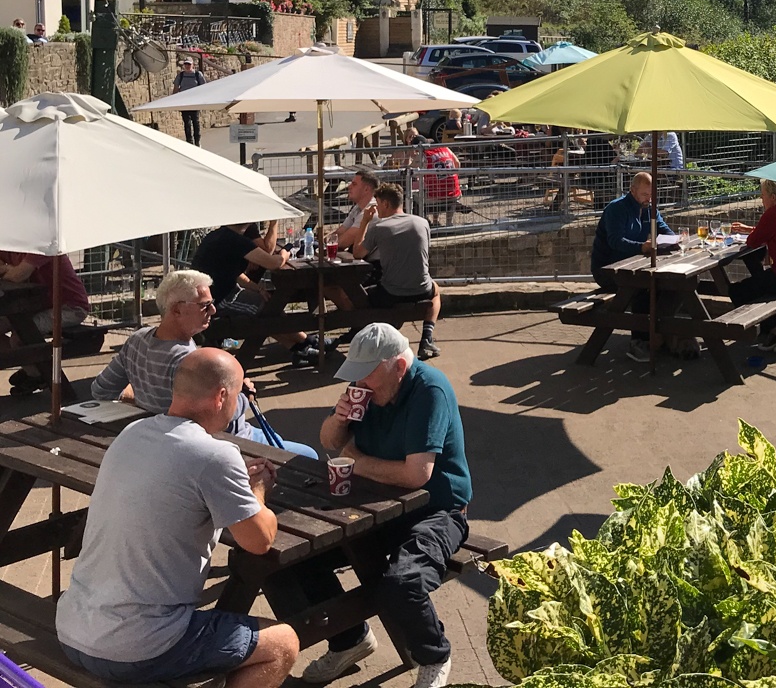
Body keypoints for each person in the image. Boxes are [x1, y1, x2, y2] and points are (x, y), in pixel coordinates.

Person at [56, 349, 300, 687]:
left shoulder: (132, 433)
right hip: (137, 646)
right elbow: (259, 542)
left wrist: (232, 484)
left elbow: (181, 481)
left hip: (73, 628)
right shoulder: (216, 455)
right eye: (241, 393)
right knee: (282, 642)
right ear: (222, 396)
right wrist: (257, 489)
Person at [275, 324, 470, 687]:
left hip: (436, 510)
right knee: (285, 560)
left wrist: (355, 460)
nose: (359, 385)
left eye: (366, 377)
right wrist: (339, 418)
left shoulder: (429, 389)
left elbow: (417, 475)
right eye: (356, 377)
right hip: (373, 507)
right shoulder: (366, 387)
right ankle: (349, 641)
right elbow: (330, 441)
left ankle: (434, 655)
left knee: (401, 584)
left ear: (398, 366)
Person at [91, 270, 320, 459]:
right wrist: (242, 394)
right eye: (205, 305)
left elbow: (101, 389)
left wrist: (140, 395)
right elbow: (221, 418)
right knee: (308, 456)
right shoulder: (189, 362)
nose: (213, 310)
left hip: (164, 443)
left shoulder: (136, 340)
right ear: (177, 310)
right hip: (225, 444)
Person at [192, 221, 321, 367]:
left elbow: (234, 274)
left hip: (212, 295)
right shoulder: (235, 240)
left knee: (267, 305)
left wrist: (257, 288)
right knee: (268, 309)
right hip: (216, 301)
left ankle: (299, 347)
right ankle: (308, 341)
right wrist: (287, 250)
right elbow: (274, 262)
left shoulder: (219, 235)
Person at [351, 182, 442, 360]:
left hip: (391, 292)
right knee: (436, 291)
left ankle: (361, 335)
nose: (376, 210)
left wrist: (364, 222)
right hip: (422, 289)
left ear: (385, 204)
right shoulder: (422, 222)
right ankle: (426, 338)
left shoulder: (379, 227)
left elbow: (357, 253)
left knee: (357, 295)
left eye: (377, 205)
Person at [590, 172, 674, 363]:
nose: (649, 199)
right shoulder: (616, 209)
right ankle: (639, 341)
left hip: (635, 266)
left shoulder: (649, 208)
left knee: (666, 286)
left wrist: (675, 239)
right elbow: (614, 241)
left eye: (652, 195)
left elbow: (663, 229)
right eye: (645, 194)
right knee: (642, 289)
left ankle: (662, 334)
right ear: (633, 190)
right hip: (607, 269)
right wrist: (640, 247)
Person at [0, 248, 91, 395]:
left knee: (21, 335)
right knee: (21, 330)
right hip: (38, 305)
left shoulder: (43, 248)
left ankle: (37, 374)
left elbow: (19, 275)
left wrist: (10, 270)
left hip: (70, 307)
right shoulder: (9, 246)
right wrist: (8, 268)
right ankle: (34, 369)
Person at [417, 135, 462, 227]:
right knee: (442, 186)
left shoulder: (423, 155)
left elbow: (418, 174)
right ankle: (449, 222)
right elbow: (457, 163)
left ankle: (431, 221)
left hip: (434, 197)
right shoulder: (445, 148)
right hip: (454, 193)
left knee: (417, 194)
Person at [334, 167, 381, 251]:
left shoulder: (371, 210)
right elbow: (340, 232)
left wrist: (327, 243)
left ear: (366, 189)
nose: (349, 186)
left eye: (354, 184)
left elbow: (343, 242)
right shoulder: (358, 207)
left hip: (371, 262)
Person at [173, 58, 207, 145]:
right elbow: (176, 88)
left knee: (195, 122)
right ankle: (189, 142)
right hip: (184, 102)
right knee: (186, 122)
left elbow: (204, 87)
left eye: (189, 64)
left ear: (192, 65)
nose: (187, 66)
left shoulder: (197, 75)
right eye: (186, 64)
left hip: (194, 102)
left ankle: (197, 141)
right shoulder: (180, 76)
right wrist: (174, 100)